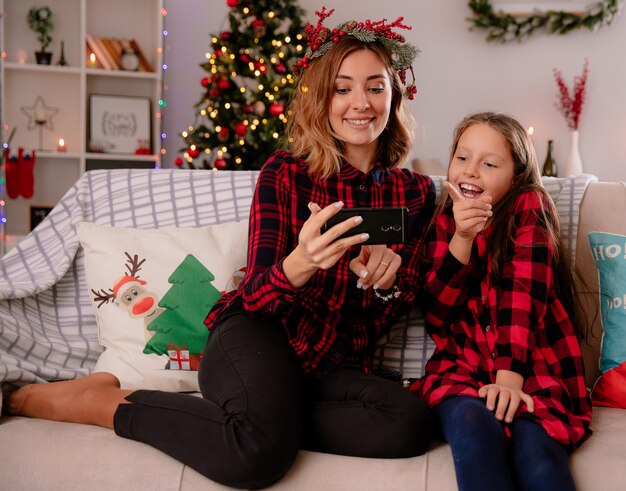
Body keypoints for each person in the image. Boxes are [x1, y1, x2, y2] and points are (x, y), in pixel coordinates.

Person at [9, 8, 435, 489]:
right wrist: (301, 263)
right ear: (323, 97)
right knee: (253, 455)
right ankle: (99, 403)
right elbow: (254, 295)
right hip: (256, 337)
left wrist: (388, 283)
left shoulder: (415, 193)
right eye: (343, 88)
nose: (361, 102)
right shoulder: (287, 175)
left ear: (394, 95)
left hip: (331, 366)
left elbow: (410, 295)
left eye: (375, 86)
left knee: (409, 423)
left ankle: (261, 417)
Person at [412, 111, 592, 491]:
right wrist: (462, 237)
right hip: (461, 369)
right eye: (462, 158)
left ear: (517, 175)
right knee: (473, 429)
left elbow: (524, 294)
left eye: (489, 163)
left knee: (538, 456)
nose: (470, 171)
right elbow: (436, 313)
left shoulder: (529, 204)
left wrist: (510, 381)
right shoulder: (443, 217)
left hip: (532, 370)